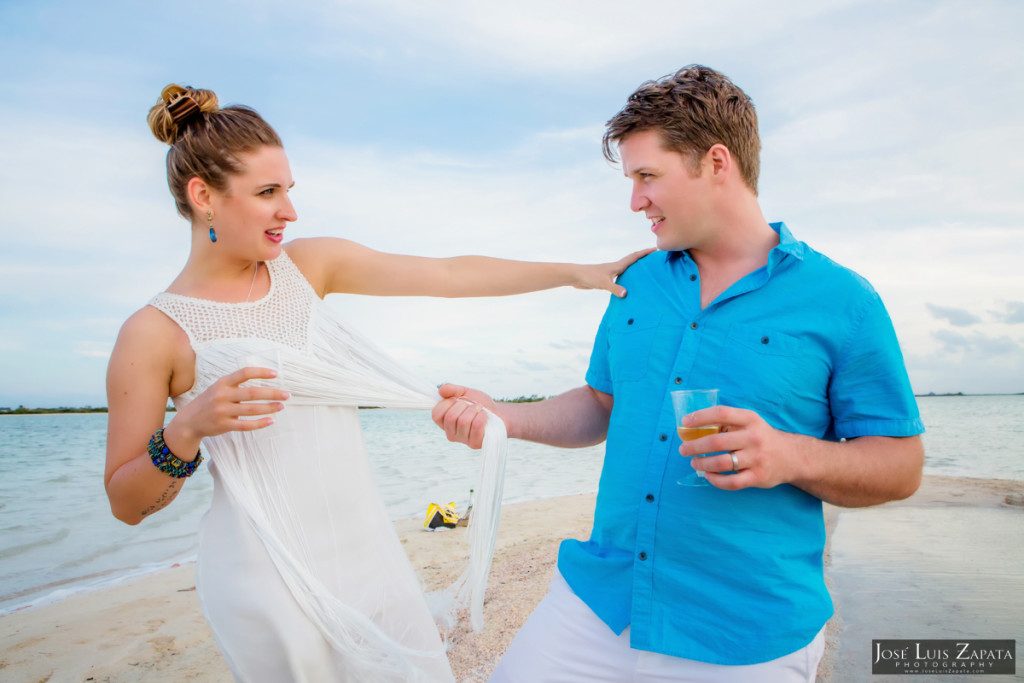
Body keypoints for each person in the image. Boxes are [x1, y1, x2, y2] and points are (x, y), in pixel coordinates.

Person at [103, 84, 650, 683]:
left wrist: (575, 272)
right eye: (267, 193)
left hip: (370, 555)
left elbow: (448, 273)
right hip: (265, 576)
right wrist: (186, 429)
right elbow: (126, 502)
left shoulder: (308, 268)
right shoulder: (153, 333)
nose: (289, 210)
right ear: (203, 196)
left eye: (288, 189)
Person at [432, 65, 925, 682]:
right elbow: (601, 405)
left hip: (747, 632)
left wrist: (790, 456)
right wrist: (503, 417)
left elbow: (901, 467)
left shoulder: (844, 302)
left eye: (647, 177)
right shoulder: (633, 284)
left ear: (717, 163)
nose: (635, 200)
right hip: (598, 601)